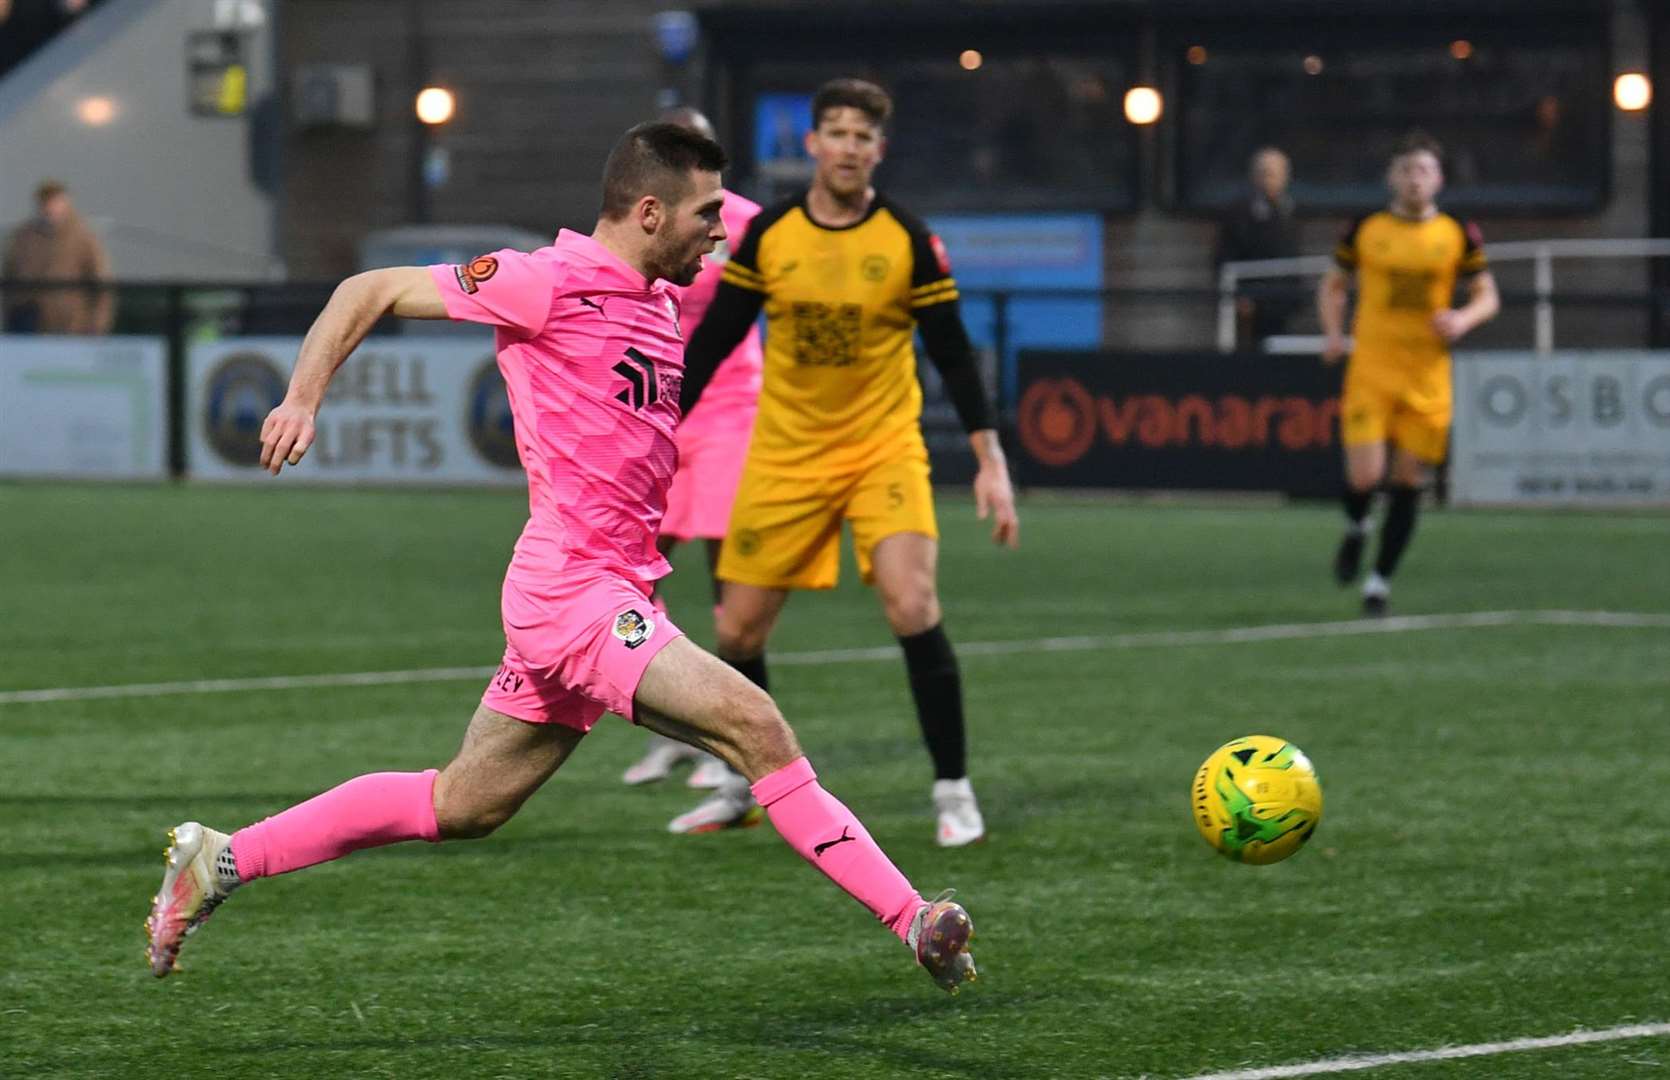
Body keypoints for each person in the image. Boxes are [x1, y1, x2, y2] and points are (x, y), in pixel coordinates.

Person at [143, 122, 978, 994]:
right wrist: (301, 399)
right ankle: (912, 918)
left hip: (607, 589)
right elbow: (369, 287)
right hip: (572, 592)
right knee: (754, 723)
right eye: (706, 216)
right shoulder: (543, 280)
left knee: (464, 804)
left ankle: (223, 860)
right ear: (649, 211)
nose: (721, 235)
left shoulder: (658, 299)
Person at [668, 79, 1020, 846]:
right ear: (813, 145)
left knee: (911, 604)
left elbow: (956, 356)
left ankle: (953, 790)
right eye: (836, 132)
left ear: (878, 151)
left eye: (864, 136)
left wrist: (991, 461)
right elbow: (716, 339)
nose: (850, 147)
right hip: (787, 456)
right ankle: (739, 785)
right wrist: (656, 431)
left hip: (882, 450)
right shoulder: (772, 236)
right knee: (738, 632)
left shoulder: (907, 238)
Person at [623, 106, 765, 791]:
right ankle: (679, 726)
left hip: (731, 405)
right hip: (658, 408)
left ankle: (727, 741)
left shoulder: (743, 222)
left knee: (726, 580)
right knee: (633, 574)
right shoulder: (644, 219)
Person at [1317, 131, 1499, 616]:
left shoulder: (1457, 234)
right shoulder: (1365, 229)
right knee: (1365, 474)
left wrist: (1462, 318)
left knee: (1407, 479)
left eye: (1423, 171)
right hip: (1372, 370)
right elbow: (1334, 285)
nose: (1414, 179)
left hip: (1427, 376)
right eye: (1405, 171)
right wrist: (1334, 333)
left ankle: (1378, 582)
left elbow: (1488, 295)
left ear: (1437, 180)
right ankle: (1357, 528)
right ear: (1391, 178)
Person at [2, 179, 113, 334]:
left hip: (71, 324)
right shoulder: (23, 237)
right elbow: (9, 275)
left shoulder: (83, 237)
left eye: (55, 202)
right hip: (28, 321)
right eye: (45, 202)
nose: (49, 208)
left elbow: (101, 283)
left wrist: (97, 325)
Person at [1215, 147, 1300, 349]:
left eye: (1276, 173)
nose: (1270, 180)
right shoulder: (1240, 213)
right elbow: (1226, 255)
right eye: (1265, 173)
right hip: (1254, 301)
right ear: (1254, 176)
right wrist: (1240, 294)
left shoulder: (1289, 209)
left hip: (1284, 299)